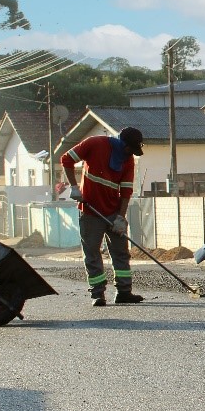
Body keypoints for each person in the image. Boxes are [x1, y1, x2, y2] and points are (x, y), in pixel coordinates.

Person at [61, 127, 145, 306]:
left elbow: (126, 191)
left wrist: (120, 218)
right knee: (92, 252)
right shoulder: (95, 144)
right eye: (129, 149)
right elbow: (66, 160)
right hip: (90, 211)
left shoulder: (128, 160)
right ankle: (97, 293)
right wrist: (74, 187)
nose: (130, 153)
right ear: (123, 143)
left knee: (121, 252)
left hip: (113, 212)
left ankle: (124, 292)